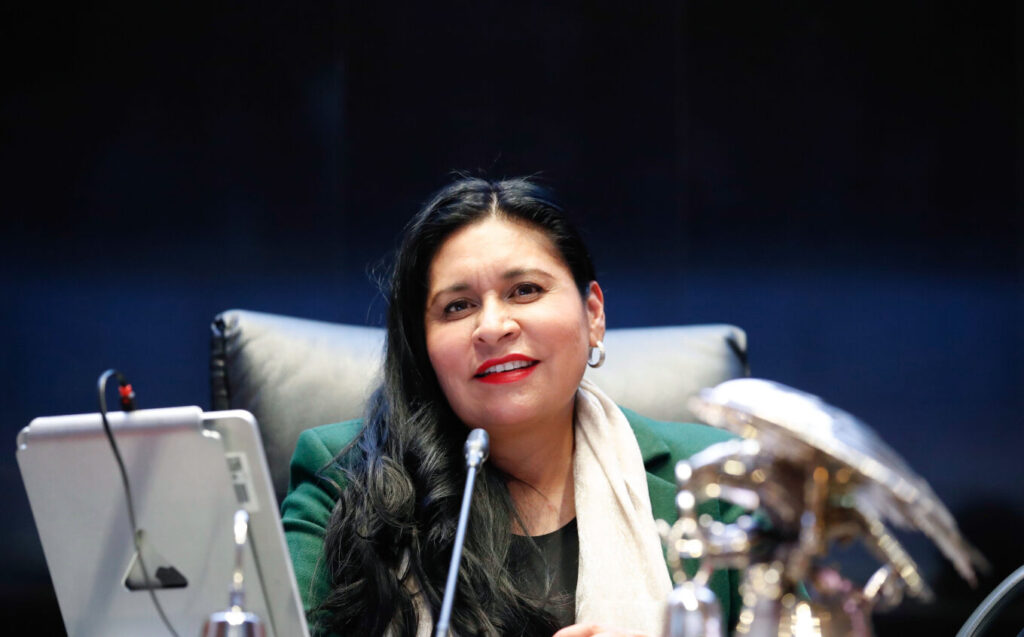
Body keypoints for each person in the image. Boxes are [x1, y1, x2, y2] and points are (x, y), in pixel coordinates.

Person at [281, 176, 740, 637]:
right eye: (458, 306)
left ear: (593, 315)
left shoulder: (718, 479)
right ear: (423, 345)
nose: (493, 326)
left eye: (525, 290)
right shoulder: (341, 477)